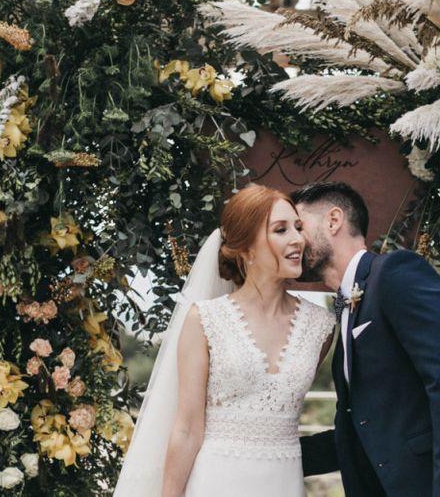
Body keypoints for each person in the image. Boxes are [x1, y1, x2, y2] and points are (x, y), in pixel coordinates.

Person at [293, 181, 440, 497]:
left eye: (298, 226)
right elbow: (361, 430)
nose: (291, 239)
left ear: (333, 221)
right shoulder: (346, 307)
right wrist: (262, 455)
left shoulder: (396, 272)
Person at [114, 184, 335, 497]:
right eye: (281, 230)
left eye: (298, 227)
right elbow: (187, 429)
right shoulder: (204, 320)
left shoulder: (322, 326)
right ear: (246, 249)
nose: (298, 239)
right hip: (216, 481)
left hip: (283, 482)